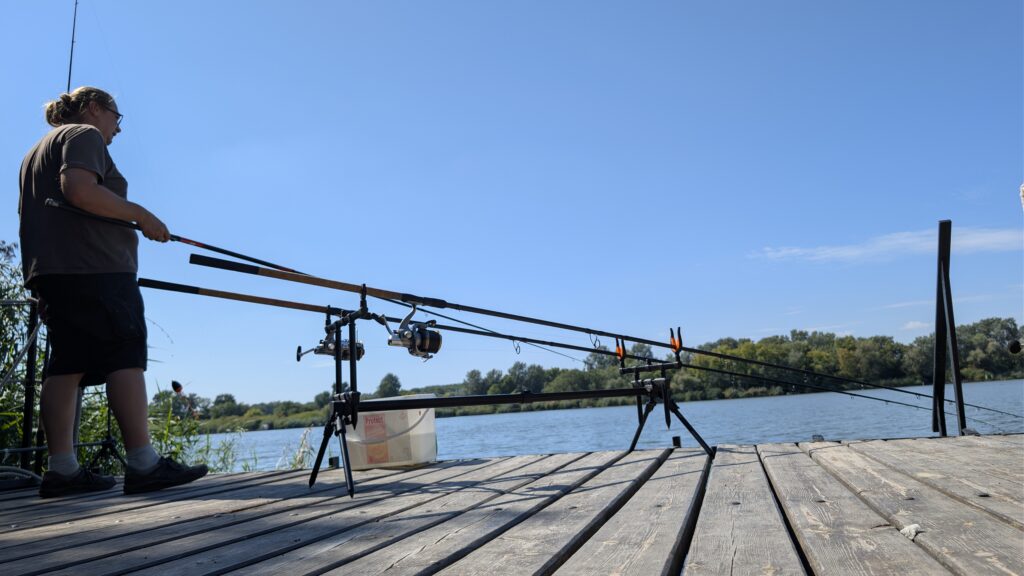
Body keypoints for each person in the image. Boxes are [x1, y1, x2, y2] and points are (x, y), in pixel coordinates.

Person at [18, 86, 208, 497]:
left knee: (66, 364)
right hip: (94, 269)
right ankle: (144, 463)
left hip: (52, 272)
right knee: (125, 350)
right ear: (94, 109)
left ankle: (63, 470)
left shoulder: (35, 152)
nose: (117, 130)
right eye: (116, 118)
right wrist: (141, 214)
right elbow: (80, 190)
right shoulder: (82, 135)